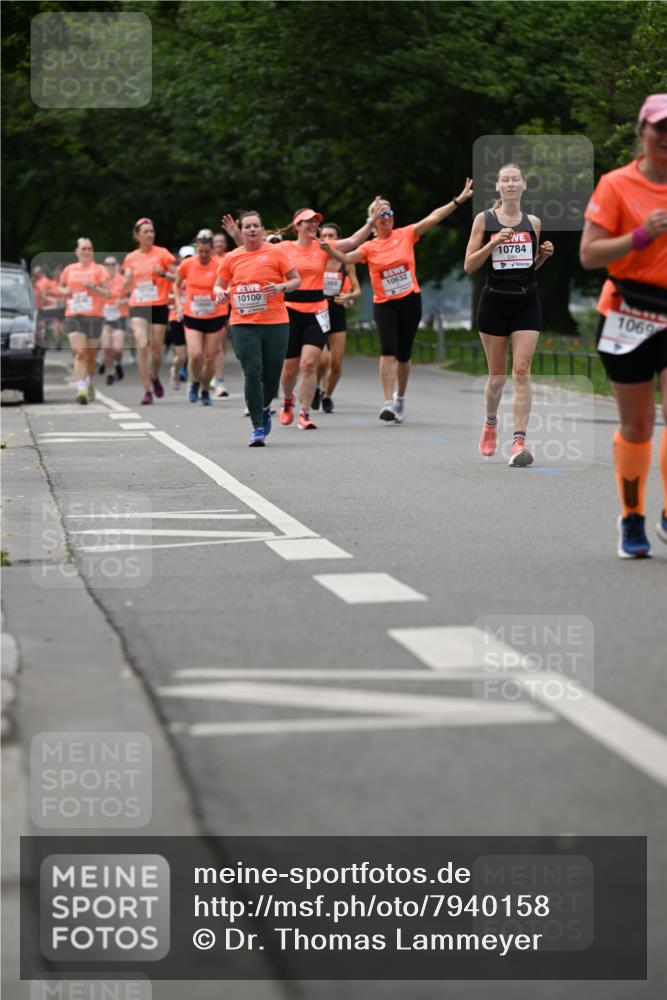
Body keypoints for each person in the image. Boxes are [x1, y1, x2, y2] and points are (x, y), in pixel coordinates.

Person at [580, 93, 667, 557]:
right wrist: (640, 236)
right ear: (643, 132)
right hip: (628, 311)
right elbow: (589, 255)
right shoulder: (616, 185)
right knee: (638, 426)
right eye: (660, 128)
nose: (666, 138)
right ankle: (632, 516)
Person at [338, 185, 473, 423]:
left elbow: (433, 217)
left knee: (403, 353)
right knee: (387, 349)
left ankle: (400, 397)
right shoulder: (369, 247)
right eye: (381, 214)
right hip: (385, 303)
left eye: (390, 213)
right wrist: (326, 249)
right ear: (373, 219)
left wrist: (458, 201)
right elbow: (346, 257)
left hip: (410, 300)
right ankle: (388, 402)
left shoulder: (406, 234)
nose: (387, 217)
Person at [464, 164, 554, 466]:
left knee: (522, 370)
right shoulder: (484, 219)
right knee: (497, 378)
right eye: (506, 180)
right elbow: (469, 266)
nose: (511, 184)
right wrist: (493, 243)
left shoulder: (533, 222)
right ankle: (491, 422)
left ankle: (519, 442)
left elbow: (527, 267)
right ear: (499, 187)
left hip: (527, 302)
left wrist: (542, 256)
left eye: (516, 179)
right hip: (494, 303)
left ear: (524, 186)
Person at [278, 202, 380, 430]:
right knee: (289, 369)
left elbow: (353, 242)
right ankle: (287, 400)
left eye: (317, 221)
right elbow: (257, 253)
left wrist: (371, 222)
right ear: (298, 225)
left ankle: (304, 413)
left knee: (309, 363)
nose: (315, 224)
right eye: (309, 221)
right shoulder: (284, 248)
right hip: (290, 311)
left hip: (317, 310)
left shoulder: (323, 247)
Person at [214, 210, 300, 446]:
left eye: (256, 226)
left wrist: (281, 287)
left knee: (271, 377)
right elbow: (218, 285)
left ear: (262, 230)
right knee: (252, 372)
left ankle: (264, 406)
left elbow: (296, 280)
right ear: (241, 232)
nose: (252, 229)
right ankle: (257, 427)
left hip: (275, 322)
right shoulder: (232, 257)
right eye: (247, 226)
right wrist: (220, 293)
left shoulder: (276, 252)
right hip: (243, 323)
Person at [123, 217, 176, 404]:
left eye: (152, 231)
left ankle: (154, 375)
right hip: (138, 305)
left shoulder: (163, 254)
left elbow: (177, 277)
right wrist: (127, 279)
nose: (150, 234)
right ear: (137, 236)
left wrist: (163, 273)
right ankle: (147, 390)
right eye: (145, 232)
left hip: (159, 304)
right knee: (142, 343)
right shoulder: (130, 258)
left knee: (156, 351)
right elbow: (125, 284)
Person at [174, 230, 229, 406]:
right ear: (196, 249)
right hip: (193, 315)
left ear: (212, 249)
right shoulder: (187, 264)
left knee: (210, 356)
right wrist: (178, 305)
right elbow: (176, 285)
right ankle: (194, 382)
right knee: (196, 354)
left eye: (207, 251)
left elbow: (228, 284)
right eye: (201, 251)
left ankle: (205, 389)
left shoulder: (220, 264)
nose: (204, 255)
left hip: (216, 315)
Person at [312, 221, 362, 413]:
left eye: (331, 236)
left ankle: (327, 395)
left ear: (339, 239)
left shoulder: (346, 261)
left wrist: (348, 296)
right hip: (318, 310)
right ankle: (315, 387)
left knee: (337, 362)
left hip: (337, 311)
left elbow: (357, 290)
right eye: (323, 236)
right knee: (322, 359)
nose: (327, 240)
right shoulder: (316, 259)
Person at [58, 238, 110, 404]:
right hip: (73, 314)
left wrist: (94, 287)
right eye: (83, 249)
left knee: (91, 355)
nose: (87, 251)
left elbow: (108, 293)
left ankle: (88, 382)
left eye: (89, 249)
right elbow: (60, 285)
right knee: (80, 352)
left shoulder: (99, 269)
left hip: (94, 316)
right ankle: (81, 388)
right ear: (77, 251)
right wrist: (63, 289)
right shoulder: (69, 269)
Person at [210, 230, 233, 398]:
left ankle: (218, 380)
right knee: (207, 348)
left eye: (221, 241)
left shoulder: (229, 258)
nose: (219, 244)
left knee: (219, 346)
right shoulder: (205, 259)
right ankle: (207, 375)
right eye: (216, 241)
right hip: (205, 307)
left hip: (226, 306)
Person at [167, 245, 194, 389]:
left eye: (191, 257)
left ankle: (192, 381)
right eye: (186, 258)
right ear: (180, 259)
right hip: (176, 317)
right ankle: (175, 371)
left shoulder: (198, 273)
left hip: (193, 316)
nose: (188, 261)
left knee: (194, 352)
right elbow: (167, 298)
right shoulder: (175, 276)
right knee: (182, 355)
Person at [100, 257, 129, 385]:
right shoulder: (100, 281)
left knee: (117, 349)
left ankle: (117, 363)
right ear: (104, 266)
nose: (110, 267)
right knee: (106, 347)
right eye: (107, 264)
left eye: (113, 264)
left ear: (117, 265)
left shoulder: (123, 281)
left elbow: (132, 297)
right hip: (104, 316)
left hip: (119, 316)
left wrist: (121, 302)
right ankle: (110, 372)